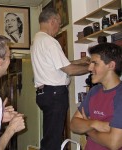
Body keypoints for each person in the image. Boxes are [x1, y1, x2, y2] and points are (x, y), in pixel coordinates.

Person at [30, 8, 90, 150]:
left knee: (51, 136)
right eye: (59, 24)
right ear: (53, 21)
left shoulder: (37, 40)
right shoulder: (49, 41)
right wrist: (92, 67)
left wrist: (81, 61)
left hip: (45, 94)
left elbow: (59, 65)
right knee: (53, 140)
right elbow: (68, 69)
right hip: (55, 94)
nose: (58, 28)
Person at [70, 43, 122, 150]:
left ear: (111, 65)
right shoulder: (94, 91)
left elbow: (114, 143)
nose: (89, 68)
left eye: (95, 63)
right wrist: (95, 124)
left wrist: (88, 129)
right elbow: (74, 125)